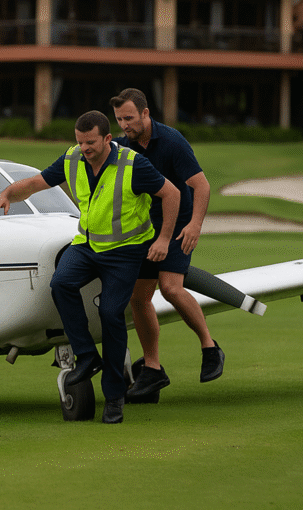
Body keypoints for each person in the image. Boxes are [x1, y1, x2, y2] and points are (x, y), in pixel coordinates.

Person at [0, 110, 179, 424]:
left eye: (90, 142)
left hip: (125, 251)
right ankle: (87, 357)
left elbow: (171, 193)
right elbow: (36, 183)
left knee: (111, 315)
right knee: (61, 284)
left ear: (106, 138)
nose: (84, 148)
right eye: (79, 142)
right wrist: (8, 193)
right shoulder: (73, 159)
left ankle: (114, 397)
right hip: (88, 245)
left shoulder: (134, 165)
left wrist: (164, 239)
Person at [110, 88, 224, 400]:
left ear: (146, 114)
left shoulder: (172, 141)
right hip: (143, 230)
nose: (125, 125)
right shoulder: (122, 146)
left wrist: (195, 225)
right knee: (138, 298)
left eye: (130, 118)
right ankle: (152, 369)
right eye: (120, 120)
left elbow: (201, 185)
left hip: (177, 228)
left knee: (171, 288)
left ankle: (210, 348)